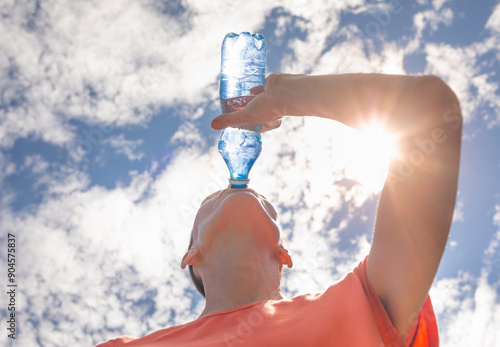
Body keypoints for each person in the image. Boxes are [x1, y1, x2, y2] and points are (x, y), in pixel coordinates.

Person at [96, 72, 462, 346]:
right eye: (211, 200)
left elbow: (429, 111)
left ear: (284, 252)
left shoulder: (362, 300)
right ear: (191, 254)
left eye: (268, 206)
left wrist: (289, 96)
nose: (238, 189)